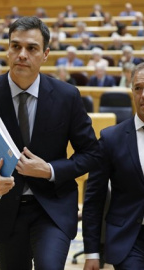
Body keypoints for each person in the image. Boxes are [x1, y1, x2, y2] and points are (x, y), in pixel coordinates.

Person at [0, 16, 100, 270]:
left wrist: (51, 170)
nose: (22, 54)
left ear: (45, 54)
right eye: (15, 46)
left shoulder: (68, 97)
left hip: (52, 209)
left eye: (31, 48)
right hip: (3, 212)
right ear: (8, 49)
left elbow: (91, 153)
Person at [82, 62, 144, 269]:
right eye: (138, 88)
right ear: (132, 92)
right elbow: (94, 198)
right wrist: (91, 251)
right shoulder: (111, 138)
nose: (143, 95)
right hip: (128, 240)